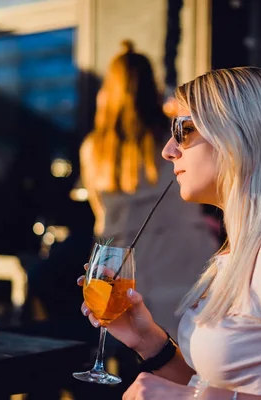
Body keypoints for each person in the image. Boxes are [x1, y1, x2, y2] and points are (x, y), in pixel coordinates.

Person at [78, 67, 261, 398]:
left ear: (238, 138)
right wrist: (148, 339)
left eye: (183, 130)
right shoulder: (243, 250)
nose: (169, 150)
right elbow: (217, 386)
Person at [78, 41, 216, 337]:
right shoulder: (174, 136)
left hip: (121, 267)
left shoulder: (94, 149)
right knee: (189, 358)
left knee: (132, 346)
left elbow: (98, 212)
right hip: (183, 259)